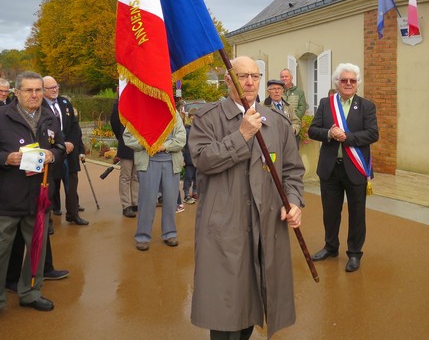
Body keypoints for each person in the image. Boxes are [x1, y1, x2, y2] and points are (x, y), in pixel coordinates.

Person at [189, 56, 305, 339]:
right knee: (226, 311)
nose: (250, 82)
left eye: (255, 76)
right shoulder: (208, 118)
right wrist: (241, 136)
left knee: (253, 307)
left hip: (265, 227)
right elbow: (203, 160)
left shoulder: (276, 121)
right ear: (229, 80)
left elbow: (292, 170)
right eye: (242, 76)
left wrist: (293, 201)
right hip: (225, 229)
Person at [0, 71, 66, 312]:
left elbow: (60, 145)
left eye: (38, 90)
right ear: (17, 93)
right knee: (1, 250)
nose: (35, 95)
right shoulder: (2, 116)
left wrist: (54, 154)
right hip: (7, 198)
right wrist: (7, 158)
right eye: (29, 90)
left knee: (36, 250)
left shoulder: (50, 117)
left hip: (39, 196)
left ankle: (30, 292)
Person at [308, 63, 379, 273]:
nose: (348, 84)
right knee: (330, 212)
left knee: (357, 214)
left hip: (355, 168)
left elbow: (372, 134)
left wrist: (347, 137)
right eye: (344, 80)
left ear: (357, 84)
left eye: (352, 81)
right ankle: (330, 247)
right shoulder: (325, 103)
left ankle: (355, 253)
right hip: (330, 169)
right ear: (337, 83)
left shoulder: (367, 106)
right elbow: (313, 130)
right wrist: (329, 134)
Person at [124, 111, 186, 251]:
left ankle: (170, 234)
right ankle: (143, 237)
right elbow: (128, 137)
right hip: (148, 163)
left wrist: (165, 146)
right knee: (147, 201)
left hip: (171, 163)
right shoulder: (140, 112)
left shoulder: (173, 114)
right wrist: (147, 143)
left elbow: (181, 138)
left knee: (170, 201)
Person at [42, 76, 88, 226]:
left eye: (57, 86)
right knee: (50, 186)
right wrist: (60, 144)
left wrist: (71, 143)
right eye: (51, 88)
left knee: (71, 184)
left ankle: (73, 214)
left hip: (69, 152)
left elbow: (75, 126)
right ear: (43, 90)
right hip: (52, 152)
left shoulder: (65, 103)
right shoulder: (39, 106)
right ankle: (47, 221)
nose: (55, 90)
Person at [110, 99, 139, 218]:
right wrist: (121, 136)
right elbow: (114, 121)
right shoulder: (121, 101)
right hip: (126, 144)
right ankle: (126, 205)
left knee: (136, 176)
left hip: (139, 145)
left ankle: (135, 202)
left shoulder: (140, 99)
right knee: (126, 176)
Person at [182, 108, 197, 204]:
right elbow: (184, 145)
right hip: (189, 158)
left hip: (197, 158)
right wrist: (183, 158)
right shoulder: (187, 130)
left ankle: (195, 192)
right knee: (188, 177)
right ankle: (186, 194)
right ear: (190, 117)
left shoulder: (199, 129)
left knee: (196, 177)